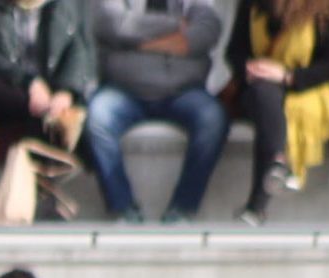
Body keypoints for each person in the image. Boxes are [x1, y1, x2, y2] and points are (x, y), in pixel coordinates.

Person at [225, 0, 329, 225]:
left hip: (307, 85)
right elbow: (235, 50)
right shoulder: (252, 5)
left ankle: (258, 204)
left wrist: (287, 76)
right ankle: (277, 166)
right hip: (259, 86)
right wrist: (252, 68)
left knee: (278, 105)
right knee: (264, 95)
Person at [86, 0, 228, 224]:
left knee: (212, 117)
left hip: (183, 92)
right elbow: (113, 24)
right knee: (97, 115)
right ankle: (123, 208)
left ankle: (182, 208)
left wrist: (138, 42)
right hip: (123, 91)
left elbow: (207, 31)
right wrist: (175, 28)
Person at [0, 0, 96, 155]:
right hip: (12, 93)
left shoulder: (66, 7)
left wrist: (65, 92)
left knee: (89, 120)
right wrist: (29, 83)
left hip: (54, 91)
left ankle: (48, 137)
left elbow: (79, 52)